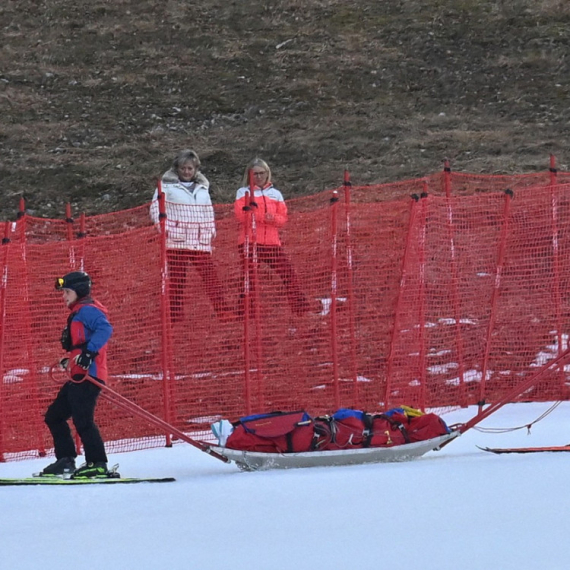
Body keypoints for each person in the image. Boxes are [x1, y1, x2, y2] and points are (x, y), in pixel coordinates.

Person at [40, 271, 113, 478]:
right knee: (54, 416)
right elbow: (81, 343)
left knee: (83, 420)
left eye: (67, 292)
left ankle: (98, 463)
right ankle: (65, 460)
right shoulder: (80, 311)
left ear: (79, 291)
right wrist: (70, 359)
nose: (64, 296)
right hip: (78, 375)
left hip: (90, 376)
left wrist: (89, 354)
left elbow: (105, 330)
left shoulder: (88, 310)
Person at [150, 149, 231, 322]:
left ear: (196, 170)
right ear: (177, 168)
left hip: (199, 240)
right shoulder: (166, 186)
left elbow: (208, 211)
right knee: (178, 280)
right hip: (177, 240)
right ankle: (175, 315)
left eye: (190, 168)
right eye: (183, 168)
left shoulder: (203, 188)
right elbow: (156, 209)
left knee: (211, 277)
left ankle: (222, 310)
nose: (187, 172)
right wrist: (166, 230)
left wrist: (210, 232)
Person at [234, 158, 310, 316]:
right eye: (255, 174)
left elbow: (282, 218)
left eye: (262, 173)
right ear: (249, 175)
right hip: (250, 242)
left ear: (267, 174)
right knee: (249, 278)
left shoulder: (276, 194)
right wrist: (265, 217)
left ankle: (300, 308)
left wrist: (270, 218)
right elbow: (242, 216)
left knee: (287, 273)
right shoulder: (243, 192)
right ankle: (245, 311)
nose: (259, 177)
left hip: (272, 243)